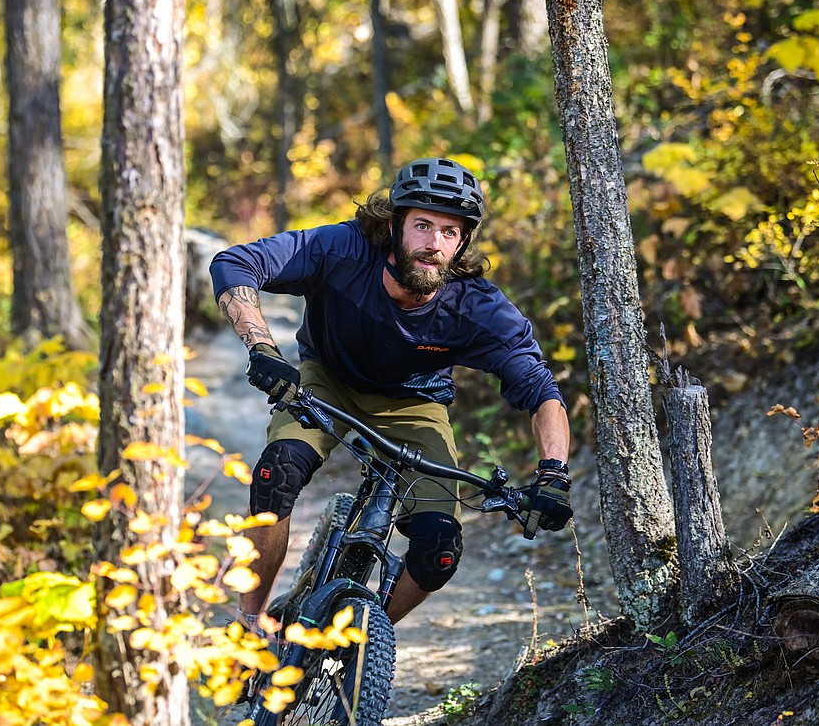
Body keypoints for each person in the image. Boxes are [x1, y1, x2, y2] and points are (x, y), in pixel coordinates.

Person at [209, 156, 572, 633]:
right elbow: (236, 262)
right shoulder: (343, 250)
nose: (433, 244)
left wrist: (555, 474)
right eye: (422, 225)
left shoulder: (477, 306)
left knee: (439, 550)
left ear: (463, 242)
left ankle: (354, 642)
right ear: (395, 224)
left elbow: (541, 391)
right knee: (278, 475)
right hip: (327, 380)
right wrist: (262, 348)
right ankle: (248, 626)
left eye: (449, 232)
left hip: (416, 404)